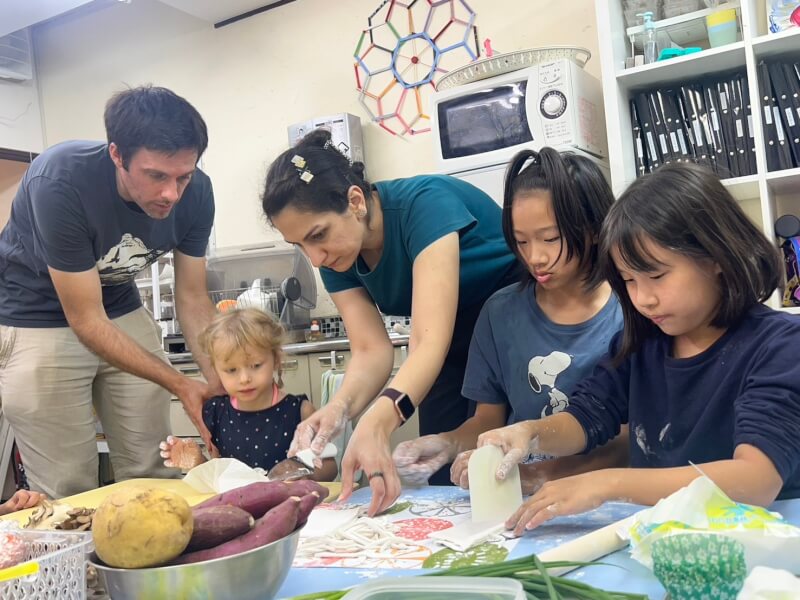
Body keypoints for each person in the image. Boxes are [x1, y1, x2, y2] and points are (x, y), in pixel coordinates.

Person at [476, 161, 800, 536]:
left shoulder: (781, 345)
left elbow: (755, 480)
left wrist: (607, 484)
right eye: (628, 280)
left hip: (761, 550)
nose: (643, 298)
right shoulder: (641, 345)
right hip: (667, 544)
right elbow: (585, 417)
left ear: (714, 257)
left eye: (657, 275)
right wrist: (529, 432)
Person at [261, 129, 519, 515]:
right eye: (300, 245)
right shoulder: (339, 255)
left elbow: (426, 342)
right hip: (447, 349)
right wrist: (340, 408)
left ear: (355, 201)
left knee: (506, 461)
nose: (314, 258)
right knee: (446, 472)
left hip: (513, 328)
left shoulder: (424, 204)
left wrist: (379, 422)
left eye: (318, 235)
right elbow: (371, 350)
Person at [0, 85, 221, 498]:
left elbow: (193, 298)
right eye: (156, 176)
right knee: (69, 487)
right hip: (36, 316)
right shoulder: (60, 180)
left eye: (183, 176)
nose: (171, 193)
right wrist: (180, 383)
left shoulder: (198, 193)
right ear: (117, 154)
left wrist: (218, 380)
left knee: (155, 467)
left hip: (119, 306)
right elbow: (85, 318)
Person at [392, 147, 628, 491]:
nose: (535, 257)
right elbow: (488, 421)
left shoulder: (629, 310)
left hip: (601, 495)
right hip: (517, 495)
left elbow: (626, 441)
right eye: (521, 241)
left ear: (592, 229)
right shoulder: (500, 312)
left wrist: (539, 476)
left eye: (550, 239)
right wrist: (449, 443)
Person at [159, 308, 337, 481]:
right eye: (231, 370)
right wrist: (197, 462)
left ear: (276, 359)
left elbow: (330, 468)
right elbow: (218, 476)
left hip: (291, 504)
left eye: (256, 366)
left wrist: (303, 470)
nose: (244, 378)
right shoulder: (215, 412)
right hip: (237, 508)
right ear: (216, 370)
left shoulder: (300, 411)